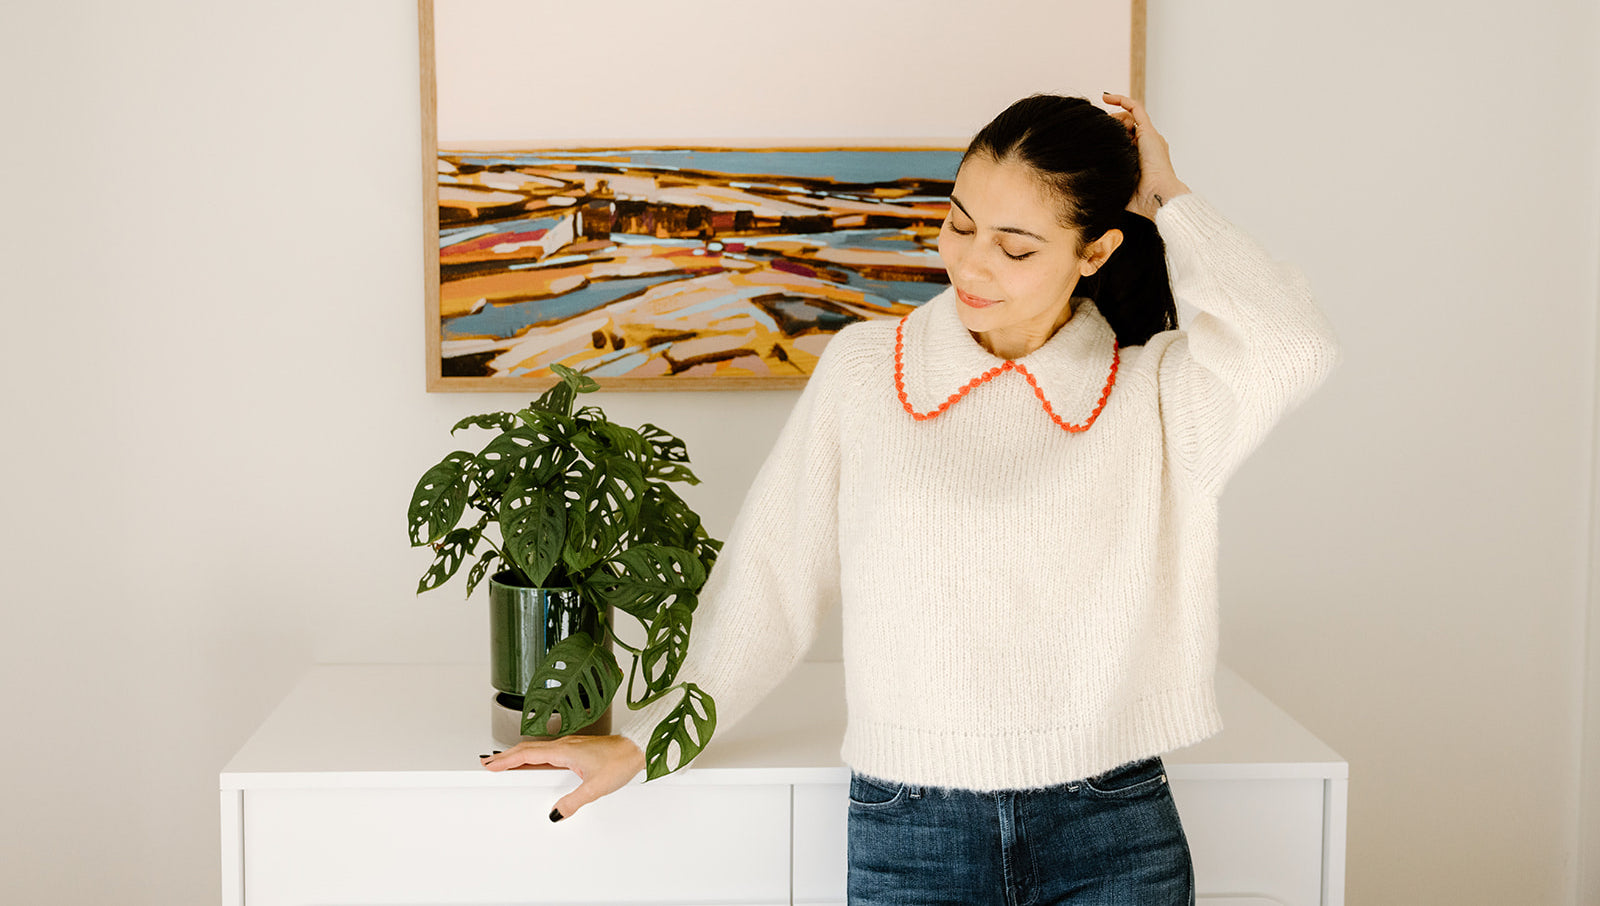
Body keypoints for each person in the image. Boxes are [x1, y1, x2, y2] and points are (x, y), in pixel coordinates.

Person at [480, 91, 1340, 904]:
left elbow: (1292, 345)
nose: (969, 261)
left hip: (1111, 820)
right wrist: (651, 735)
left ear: (1097, 251)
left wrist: (1170, 195)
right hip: (912, 826)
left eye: (1016, 245)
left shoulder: (1157, 394)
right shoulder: (866, 370)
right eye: (958, 222)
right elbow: (772, 578)